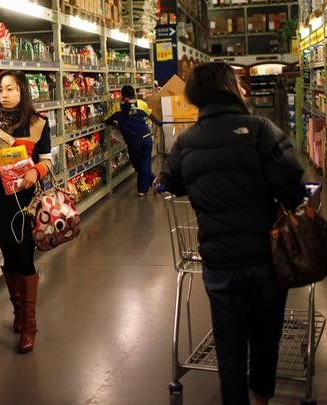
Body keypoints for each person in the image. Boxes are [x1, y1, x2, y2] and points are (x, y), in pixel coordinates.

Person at [158, 62, 305, 405]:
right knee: (266, 334)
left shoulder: (186, 141)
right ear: (229, 89)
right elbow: (292, 188)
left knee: (229, 341)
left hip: (220, 260)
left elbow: (172, 181)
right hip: (266, 258)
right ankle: (261, 399)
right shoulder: (261, 130)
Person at [0, 70, 52, 354]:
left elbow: (47, 160)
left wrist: (35, 170)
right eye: (0, 90)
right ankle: (18, 312)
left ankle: (29, 324)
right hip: (0, 197)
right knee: (7, 254)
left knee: (23, 256)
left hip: (27, 199)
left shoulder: (37, 123)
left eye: (9, 89)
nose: (3, 95)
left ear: (22, 91)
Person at [103, 85, 156, 196]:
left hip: (133, 142)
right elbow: (150, 114)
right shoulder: (141, 104)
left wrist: (118, 123)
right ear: (134, 94)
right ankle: (154, 182)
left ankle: (143, 190)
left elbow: (106, 119)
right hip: (146, 138)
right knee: (143, 165)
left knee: (139, 165)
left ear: (122, 95)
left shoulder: (117, 107)